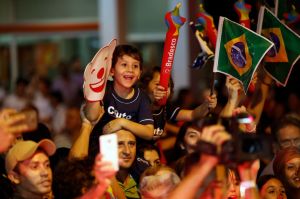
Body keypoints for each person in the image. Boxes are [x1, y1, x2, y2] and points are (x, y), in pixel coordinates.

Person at [84, 44, 154, 148]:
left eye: (135, 66)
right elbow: (91, 116)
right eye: (124, 65)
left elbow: (149, 132)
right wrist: (97, 84)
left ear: (140, 73)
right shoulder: (104, 89)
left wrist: (122, 122)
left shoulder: (142, 98)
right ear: (111, 71)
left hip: (128, 151)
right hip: (98, 149)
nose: (130, 70)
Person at [140, 66, 217, 138]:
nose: (162, 88)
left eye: (168, 85)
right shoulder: (137, 104)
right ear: (145, 86)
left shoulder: (166, 108)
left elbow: (192, 115)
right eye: (157, 84)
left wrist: (206, 105)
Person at [115, 129, 140, 199]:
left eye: (131, 144)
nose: (127, 151)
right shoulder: (98, 182)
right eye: (119, 144)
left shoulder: (141, 179)